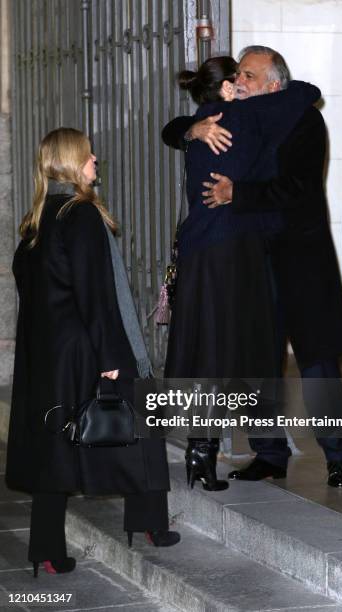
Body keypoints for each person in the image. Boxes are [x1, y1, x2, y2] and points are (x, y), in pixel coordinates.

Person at [162, 46, 342, 488]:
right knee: (259, 360)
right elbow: (173, 127)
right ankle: (269, 452)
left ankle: (337, 455)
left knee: (317, 363)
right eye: (238, 74)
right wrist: (192, 129)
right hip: (254, 259)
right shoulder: (232, 118)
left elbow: (298, 188)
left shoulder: (303, 119)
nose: (239, 81)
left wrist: (239, 195)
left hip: (302, 258)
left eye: (248, 74)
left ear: (272, 83)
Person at [6, 128, 179, 578]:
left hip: (49, 356)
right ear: (70, 162)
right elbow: (96, 294)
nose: (95, 159)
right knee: (144, 419)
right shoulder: (80, 214)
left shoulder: (35, 221)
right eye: (87, 155)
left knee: (55, 450)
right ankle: (150, 525)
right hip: (87, 348)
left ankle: (45, 549)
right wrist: (111, 357)